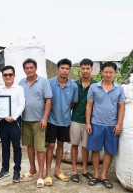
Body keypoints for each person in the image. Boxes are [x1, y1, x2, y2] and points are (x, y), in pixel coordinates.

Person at [86, 62, 125, 189]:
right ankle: (96, 174)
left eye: (111, 72)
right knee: (95, 149)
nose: (108, 74)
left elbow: (121, 107)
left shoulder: (119, 89)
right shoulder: (94, 87)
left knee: (109, 150)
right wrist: (88, 123)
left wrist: (119, 123)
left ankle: (104, 176)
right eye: (106, 72)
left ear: (115, 73)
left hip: (112, 125)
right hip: (96, 124)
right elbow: (89, 106)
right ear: (101, 72)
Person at [18, 58, 52, 188]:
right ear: (24, 70)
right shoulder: (22, 82)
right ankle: (32, 169)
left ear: (36, 68)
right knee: (29, 146)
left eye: (31, 67)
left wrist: (44, 118)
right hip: (25, 120)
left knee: (40, 148)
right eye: (27, 68)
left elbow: (48, 101)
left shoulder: (43, 82)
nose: (29, 70)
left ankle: (41, 175)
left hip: (39, 121)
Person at [45, 58, 78, 186]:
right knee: (51, 145)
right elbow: (46, 101)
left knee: (60, 145)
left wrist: (65, 110)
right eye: (62, 68)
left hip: (65, 121)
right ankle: (48, 172)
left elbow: (73, 102)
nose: (65, 71)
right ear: (58, 69)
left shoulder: (73, 86)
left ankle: (57, 170)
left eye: (67, 68)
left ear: (70, 70)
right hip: (51, 120)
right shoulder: (49, 83)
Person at [0, 65, 25, 183]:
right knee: (5, 146)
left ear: (14, 76)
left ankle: (17, 170)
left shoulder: (19, 89)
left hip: (14, 122)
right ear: (2, 76)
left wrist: (14, 117)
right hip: (2, 122)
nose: (8, 77)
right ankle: (5, 169)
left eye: (10, 74)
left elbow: (22, 104)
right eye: (5, 75)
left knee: (17, 147)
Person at [70, 59, 97, 183]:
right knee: (74, 145)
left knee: (85, 147)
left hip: (90, 122)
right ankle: (74, 170)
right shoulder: (74, 85)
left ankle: (85, 169)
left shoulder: (97, 85)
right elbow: (71, 103)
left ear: (92, 69)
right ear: (79, 69)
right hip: (75, 119)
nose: (85, 71)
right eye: (83, 68)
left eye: (87, 68)